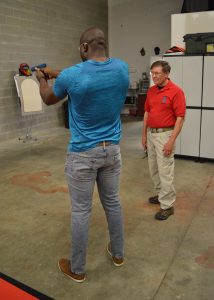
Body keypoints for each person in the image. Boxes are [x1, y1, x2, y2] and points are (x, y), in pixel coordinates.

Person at [36, 27, 129, 282]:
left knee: (81, 211)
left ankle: (77, 269)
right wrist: (56, 73)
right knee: (113, 202)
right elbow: (81, 76)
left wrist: (41, 78)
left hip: (83, 155)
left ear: (84, 48)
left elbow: (48, 98)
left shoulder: (73, 75)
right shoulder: (122, 68)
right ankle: (118, 254)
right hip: (112, 151)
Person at [142, 60, 186, 221]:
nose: (154, 76)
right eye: (152, 73)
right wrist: (144, 135)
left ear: (167, 74)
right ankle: (161, 194)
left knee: (165, 170)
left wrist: (171, 141)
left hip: (165, 135)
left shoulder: (176, 91)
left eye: (157, 73)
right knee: (153, 167)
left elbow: (180, 118)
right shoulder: (151, 91)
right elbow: (147, 112)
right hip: (151, 134)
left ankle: (167, 206)